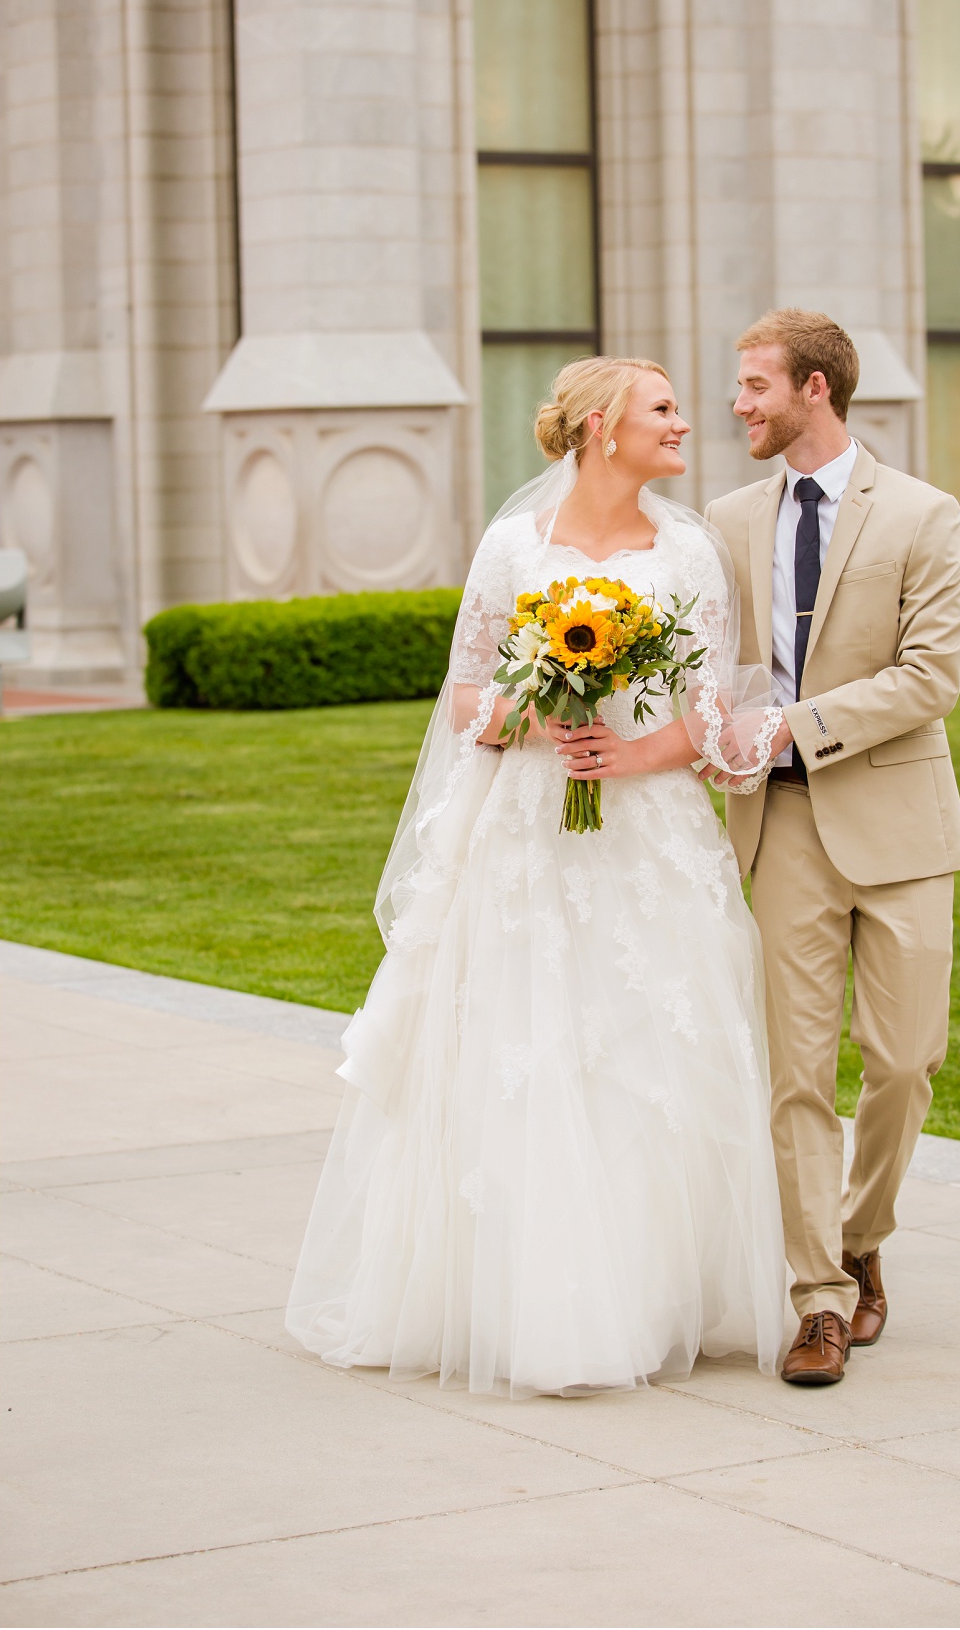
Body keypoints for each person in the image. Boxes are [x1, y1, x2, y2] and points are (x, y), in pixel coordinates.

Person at [286, 357, 790, 1397]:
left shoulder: (687, 552)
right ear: (604, 427)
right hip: (526, 830)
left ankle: (651, 1293)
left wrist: (632, 754)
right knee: (530, 1044)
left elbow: (707, 711)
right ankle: (535, 1299)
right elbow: (467, 692)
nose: (683, 424)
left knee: (648, 1042)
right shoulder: (513, 546)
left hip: (648, 835)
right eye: (662, 409)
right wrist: (534, 706)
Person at [706, 309, 960, 1386]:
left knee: (907, 1063)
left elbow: (930, 677)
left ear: (816, 389)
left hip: (902, 826)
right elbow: (710, 666)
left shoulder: (924, 513)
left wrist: (798, 724)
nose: (741, 405)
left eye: (757, 385)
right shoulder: (724, 520)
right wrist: (711, 732)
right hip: (778, 830)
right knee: (797, 1077)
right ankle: (818, 1297)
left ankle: (862, 1233)